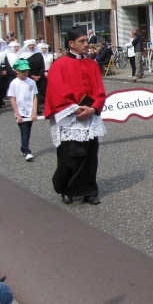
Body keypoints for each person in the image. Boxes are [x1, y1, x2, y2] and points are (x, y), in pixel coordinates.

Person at [45, 26, 107, 205]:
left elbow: (99, 91)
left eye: (86, 41)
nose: (86, 44)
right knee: (70, 157)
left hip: (89, 116)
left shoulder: (92, 64)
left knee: (90, 155)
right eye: (82, 42)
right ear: (71, 44)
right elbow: (57, 92)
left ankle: (89, 191)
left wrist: (94, 108)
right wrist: (75, 109)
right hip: (70, 117)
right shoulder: (59, 65)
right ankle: (67, 189)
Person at [7, 59, 38, 162]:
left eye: (26, 71)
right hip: (20, 111)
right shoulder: (14, 83)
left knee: (28, 131)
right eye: (22, 71)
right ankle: (27, 151)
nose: (25, 73)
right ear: (17, 71)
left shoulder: (32, 82)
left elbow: (35, 97)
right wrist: (17, 114)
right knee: (24, 131)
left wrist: (34, 112)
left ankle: (23, 147)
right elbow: (12, 99)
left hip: (30, 111)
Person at [19, 39, 47, 114]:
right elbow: (24, 67)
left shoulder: (39, 54)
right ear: (27, 46)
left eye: (33, 45)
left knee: (39, 93)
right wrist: (31, 76)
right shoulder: (23, 56)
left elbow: (42, 66)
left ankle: (38, 107)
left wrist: (39, 76)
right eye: (30, 45)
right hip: (28, 76)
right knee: (30, 93)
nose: (32, 47)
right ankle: (30, 108)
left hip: (39, 77)